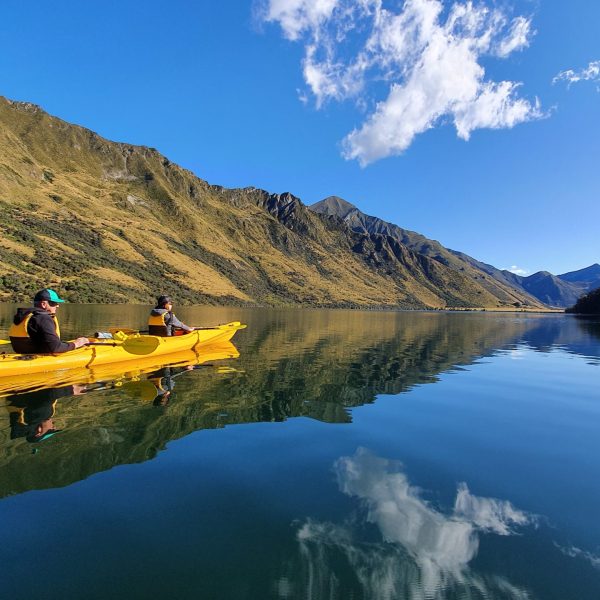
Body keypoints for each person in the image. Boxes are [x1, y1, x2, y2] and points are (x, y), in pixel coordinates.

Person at [9, 288, 89, 354]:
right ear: (43, 304)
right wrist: (77, 343)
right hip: (36, 358)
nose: (57, 306)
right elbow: (55, 348)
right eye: (53, 303)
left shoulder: (23, 316)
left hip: (22, 355)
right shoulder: (43, 318)